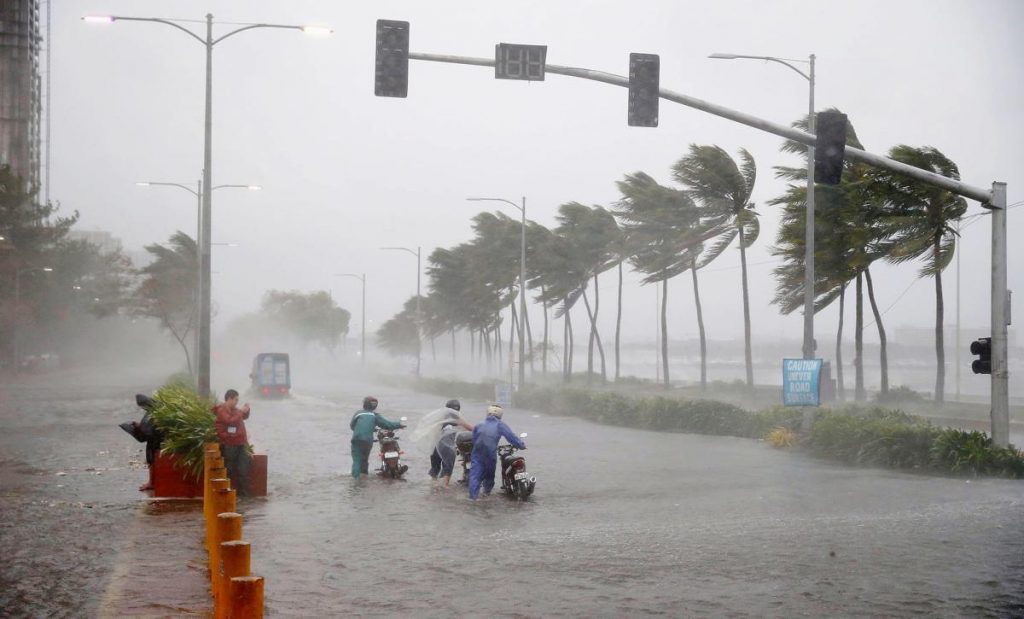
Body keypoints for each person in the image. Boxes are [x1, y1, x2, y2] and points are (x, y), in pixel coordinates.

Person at [468, 404, 525, 500]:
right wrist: (521, 445)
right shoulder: (500, 425)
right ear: (500, 414)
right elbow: (511, 437)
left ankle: (473, 499)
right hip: (490, 454)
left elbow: (474, 439)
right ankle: (486, 496)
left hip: (477, 454)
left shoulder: (479, 424)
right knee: (489, 475)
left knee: (475, 476)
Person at [350, 396, 405, 479]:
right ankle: (364, 477)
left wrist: (363, 429)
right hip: (368, 441)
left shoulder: (358, 413)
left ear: (364, 404)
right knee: (364, 460)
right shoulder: (375, 415)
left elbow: (352, 426)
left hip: (356, 439)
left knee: (357, 460)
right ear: (375, 406)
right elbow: (387, 424)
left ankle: (355, 480)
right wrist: (399, 425)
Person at [214, 389, 252, 496]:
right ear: (229, 399)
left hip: (241, 443)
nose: (236, 402)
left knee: (243, 469)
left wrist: (246, 410)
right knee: (229, 470)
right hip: (229, 444)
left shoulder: (235, 410)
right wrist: (241, 411)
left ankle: (244, 495)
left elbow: (244, 416)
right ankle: (228, 495)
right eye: (235, 400)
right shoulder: (222, 410)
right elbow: (230, 420)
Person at [428, 399, 474, 484]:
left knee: (435, 469)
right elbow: (471, 428)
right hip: (447, 447)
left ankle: (432, 487)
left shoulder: (440, 417)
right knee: (447, 469)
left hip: (435, 446)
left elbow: (433, 430)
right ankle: (445, 489)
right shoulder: (457, 419)